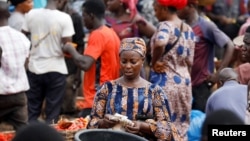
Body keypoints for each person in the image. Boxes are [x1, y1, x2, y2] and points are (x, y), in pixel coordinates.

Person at [86, 37, 182, 141]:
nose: (127, 66)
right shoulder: (107, 88)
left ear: (142, 61)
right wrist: (103, 123)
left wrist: (143, 126)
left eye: (133, 62)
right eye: (124, 61)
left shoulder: (155, 92)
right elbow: (91, 124)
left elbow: (167, 130)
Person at [64, 0, 121, 117]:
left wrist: (70, 49)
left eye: (84, 15)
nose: (83, 19)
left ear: (91, 16)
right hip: (108, 95)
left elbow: (85, 64)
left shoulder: (98, 34)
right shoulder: (111, 32)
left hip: (97, 97)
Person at [21, 0, 75, 124]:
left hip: (34, 68)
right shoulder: (65, 18)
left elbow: (22, 36)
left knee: (32, 111)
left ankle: (30, 136)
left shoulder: (31, 14)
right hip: (56, 69)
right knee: (52, 115)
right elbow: (68, 45)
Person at [177, 0, 234, 113]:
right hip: (181, 85)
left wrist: (218, 74)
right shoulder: (179, 26)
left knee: (199, 120)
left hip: (200, 86)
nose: (177, 9)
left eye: (180, 6)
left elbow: (229, 45)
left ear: (191, 6)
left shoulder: (206, 26)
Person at [149, 0, 195, 140]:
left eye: (156, 9)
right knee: (181, 128)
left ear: (163, 8)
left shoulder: (165, 25)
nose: (155, 13)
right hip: (185, 83)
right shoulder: (188, 29)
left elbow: (160, 42)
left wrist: (154, 62)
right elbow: (190, 62)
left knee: (163, 127)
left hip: (166, 81)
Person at [0, 1, 30, 130]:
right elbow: (25, 65)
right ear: (9, 14)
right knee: (23, 132)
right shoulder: (21, 37)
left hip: (1, 93)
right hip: (19, 95)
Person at [59, 0, 85, 116]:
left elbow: (80, 45)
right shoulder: (47, 16)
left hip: (70, 67)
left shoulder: (75, 17)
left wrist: (78, 72)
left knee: (68, 106)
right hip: (53, 67)